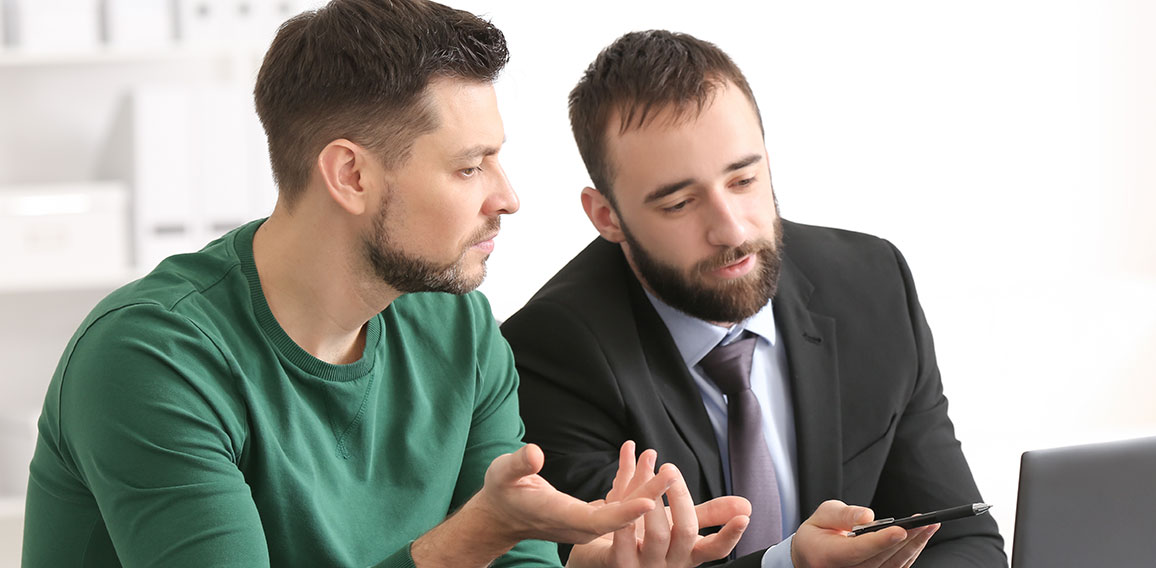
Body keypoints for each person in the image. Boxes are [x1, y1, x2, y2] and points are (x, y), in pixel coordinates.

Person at [20, 4, 753, 567]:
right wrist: (471, 539)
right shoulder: (152, 361)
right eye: (470, 167)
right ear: (352, 175)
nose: (507, 196)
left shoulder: (459, 331)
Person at [501, 30, 1008, 567]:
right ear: (607, 217)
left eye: (743, 179)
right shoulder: (552, 353)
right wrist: (791, 563)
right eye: (679, 203)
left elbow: (961, 537)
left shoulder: (871, 283)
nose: (731, 230)